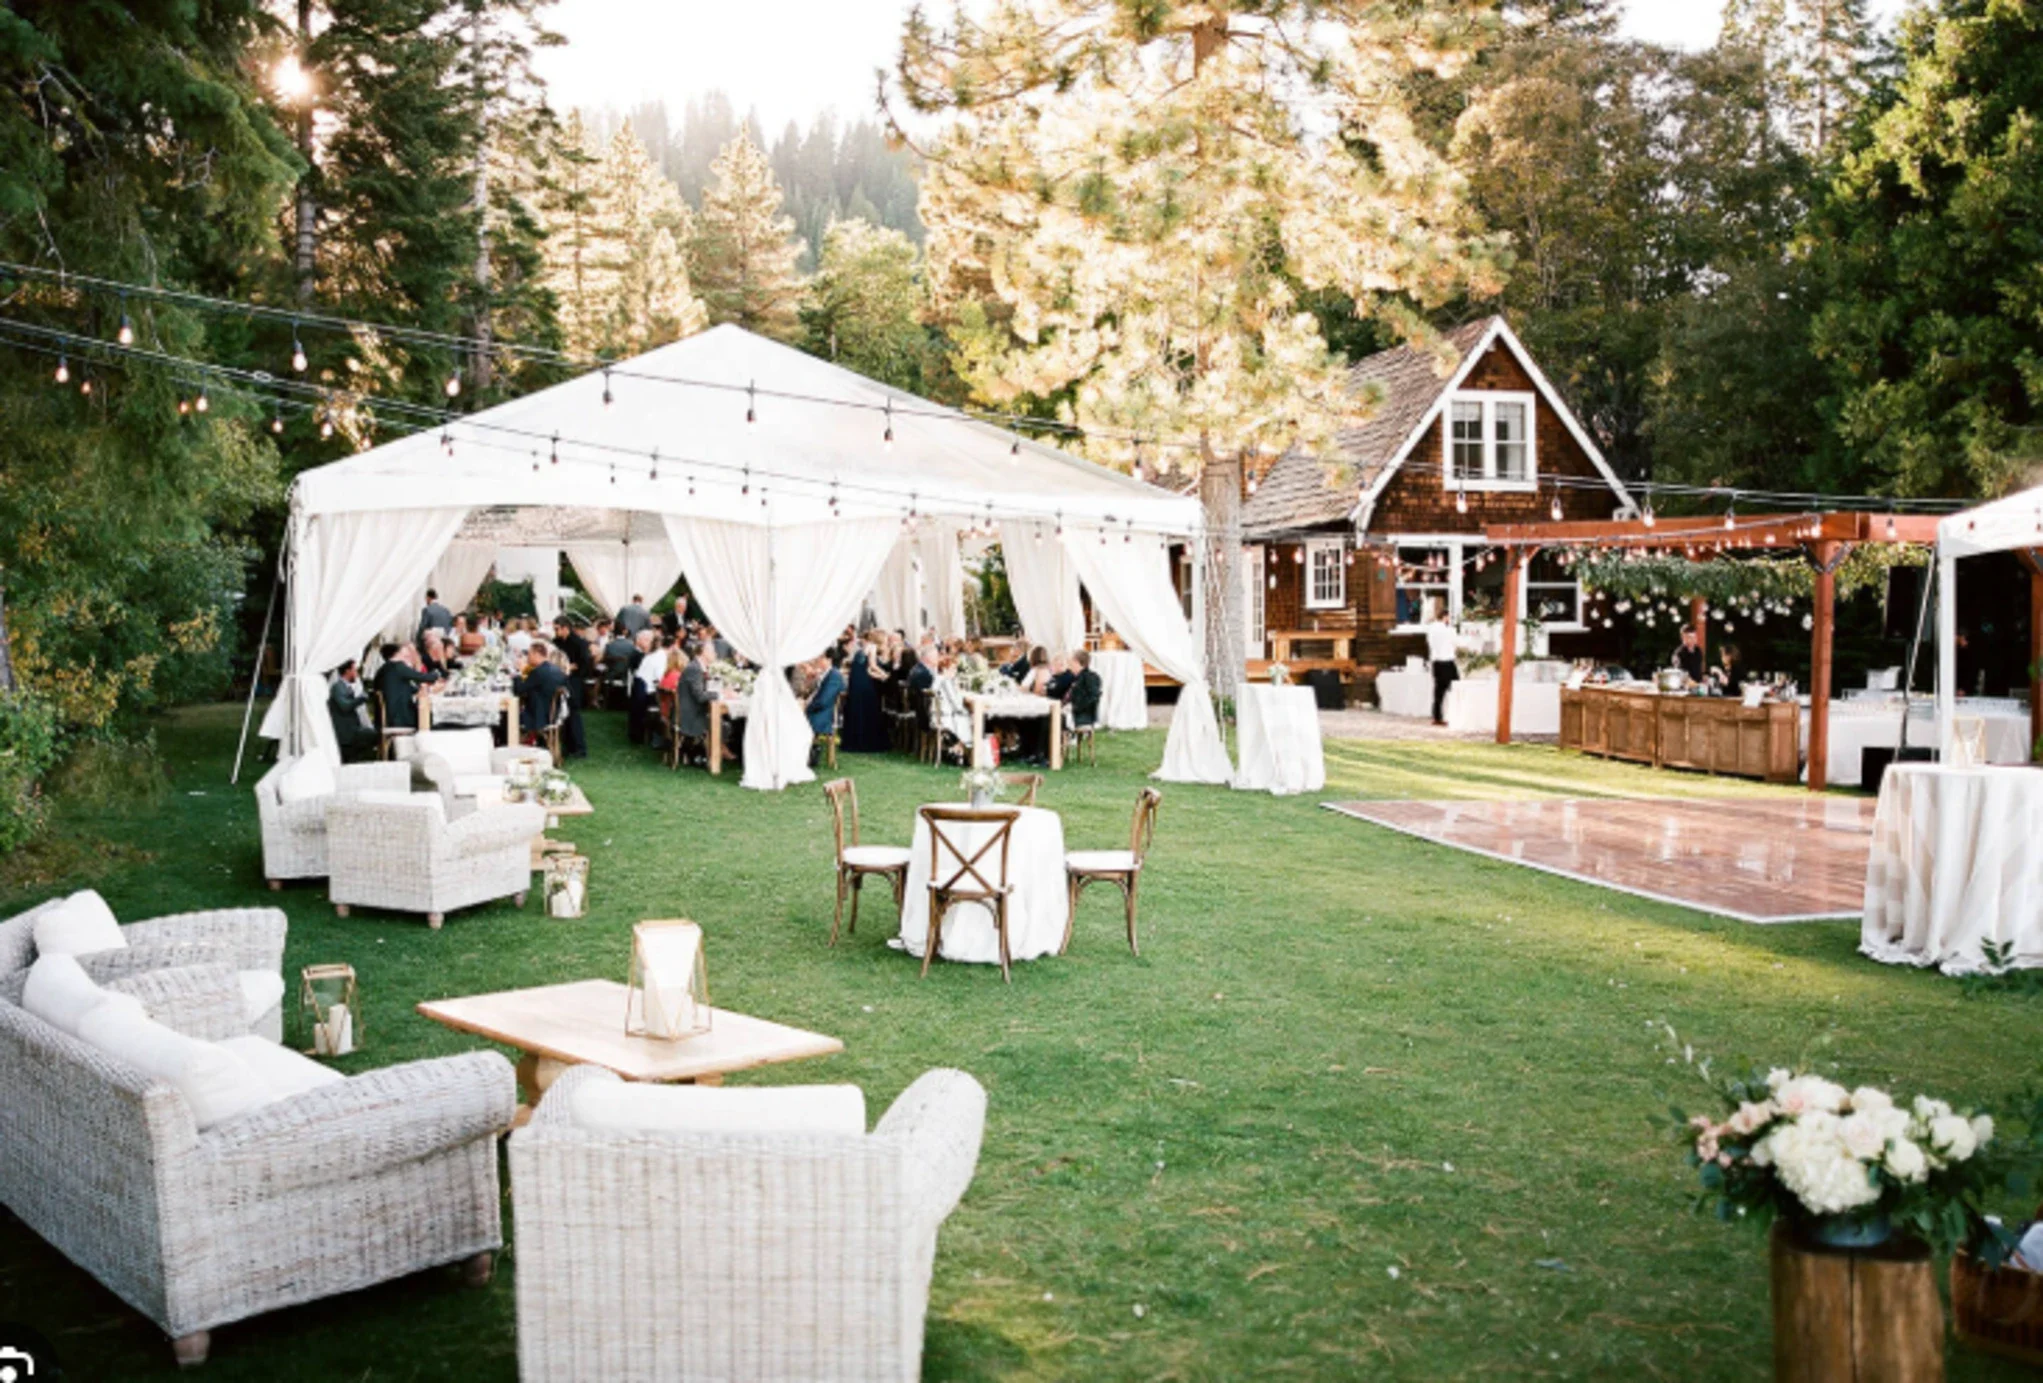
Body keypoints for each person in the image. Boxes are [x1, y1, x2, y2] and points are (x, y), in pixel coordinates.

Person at [513, 639, 581, 757]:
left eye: (529, 654)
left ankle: (513, 750)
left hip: (539, 716)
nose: (527, 658)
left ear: (536, 654)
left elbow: (519, 689)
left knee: (507, 718)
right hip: (553, 714)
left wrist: (518, 672)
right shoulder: (555, 670)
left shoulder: (539, 672)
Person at [373, 642, 438, 731]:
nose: (408, 658)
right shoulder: (398, 666)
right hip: (400, 717)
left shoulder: (385, 669)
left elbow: (405, 688)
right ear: (397, 654)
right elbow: (422, 677)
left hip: (390, 715)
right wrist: (436, 674)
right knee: (428, 716)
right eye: (405, 655)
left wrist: (420, 688)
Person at [842, 634, 890, 753]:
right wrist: (884, 673)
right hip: (863, 683)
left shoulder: (863, 648)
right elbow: (872, 666)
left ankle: (855, 740)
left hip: (856, 682)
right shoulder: (872, 647)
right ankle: (867, 741)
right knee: (869, 706)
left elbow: (867, 669)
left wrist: (880, 676)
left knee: (859, 708)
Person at [328, 660, 377, 758]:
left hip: (353, 728)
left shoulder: (345, 687)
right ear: (347, 671)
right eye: (355, 670)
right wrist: (361, 698)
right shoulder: (338, 687)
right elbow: (345, 706)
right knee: (375, 735)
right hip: (346, 731)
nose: (357, 674)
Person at [1422, 599, 1459, 727]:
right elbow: (1457, 642)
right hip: (1447, 661)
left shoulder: (1431, 629)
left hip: (1436, 662)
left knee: (1438, 691)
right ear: (1445, 617)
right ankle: (1455, 714)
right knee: (1455, 688)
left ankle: (1437, 716)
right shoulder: (1448, 630)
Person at [806, 654, 845, 766]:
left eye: (819, 659)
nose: (816, 661)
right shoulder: (824, 674)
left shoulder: (834, 676)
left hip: (823, 715)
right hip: (817, 709)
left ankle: (810, 756)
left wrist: (808, 707)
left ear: (829, 660)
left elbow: (824, 701)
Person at [1067, 649, 1102, 729]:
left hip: (1084, 716)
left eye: (1071, 662)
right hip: (1075, 712)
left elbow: (1093, 696)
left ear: (1076, 662)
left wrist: (1075, 707)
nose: (1069, 665)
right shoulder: (1076, 677)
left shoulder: (1090, 677)